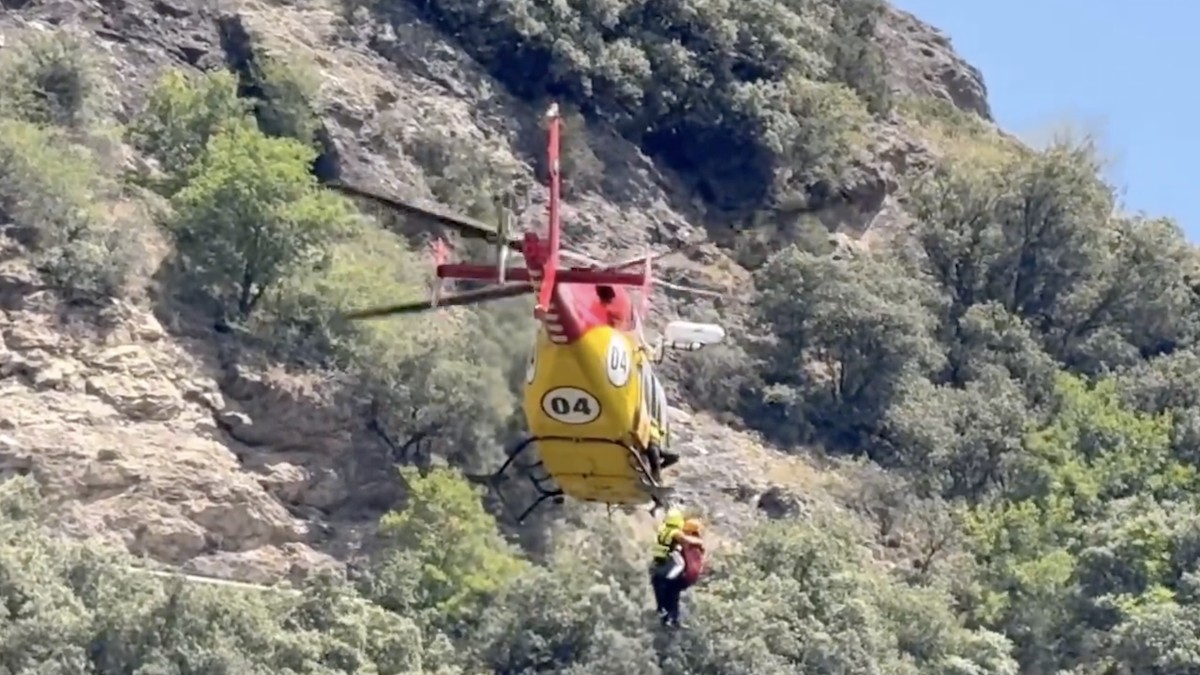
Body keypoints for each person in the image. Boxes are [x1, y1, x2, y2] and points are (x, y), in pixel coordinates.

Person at [650, 509, 703, 628]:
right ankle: (671, 618)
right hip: (668, 562)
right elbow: (685, 540)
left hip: (659, 562)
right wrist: (698, 542)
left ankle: (666, 615)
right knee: (678, 568)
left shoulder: (663, 529)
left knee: (665, 594)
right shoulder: (675, 533)